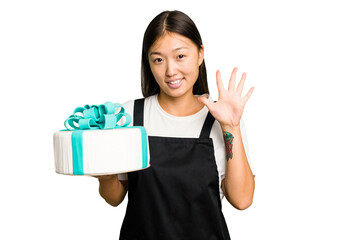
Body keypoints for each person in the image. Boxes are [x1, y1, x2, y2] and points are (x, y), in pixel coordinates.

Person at [96, 10, 255, 239]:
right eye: (158, 59)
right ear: (148, 63)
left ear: (200, 54)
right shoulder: (128, 116)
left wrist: (231, 127)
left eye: (180, 56)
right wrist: (105, 175)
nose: (170, 71)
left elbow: (242, 200)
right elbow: (114, 197)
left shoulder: (221, 119)